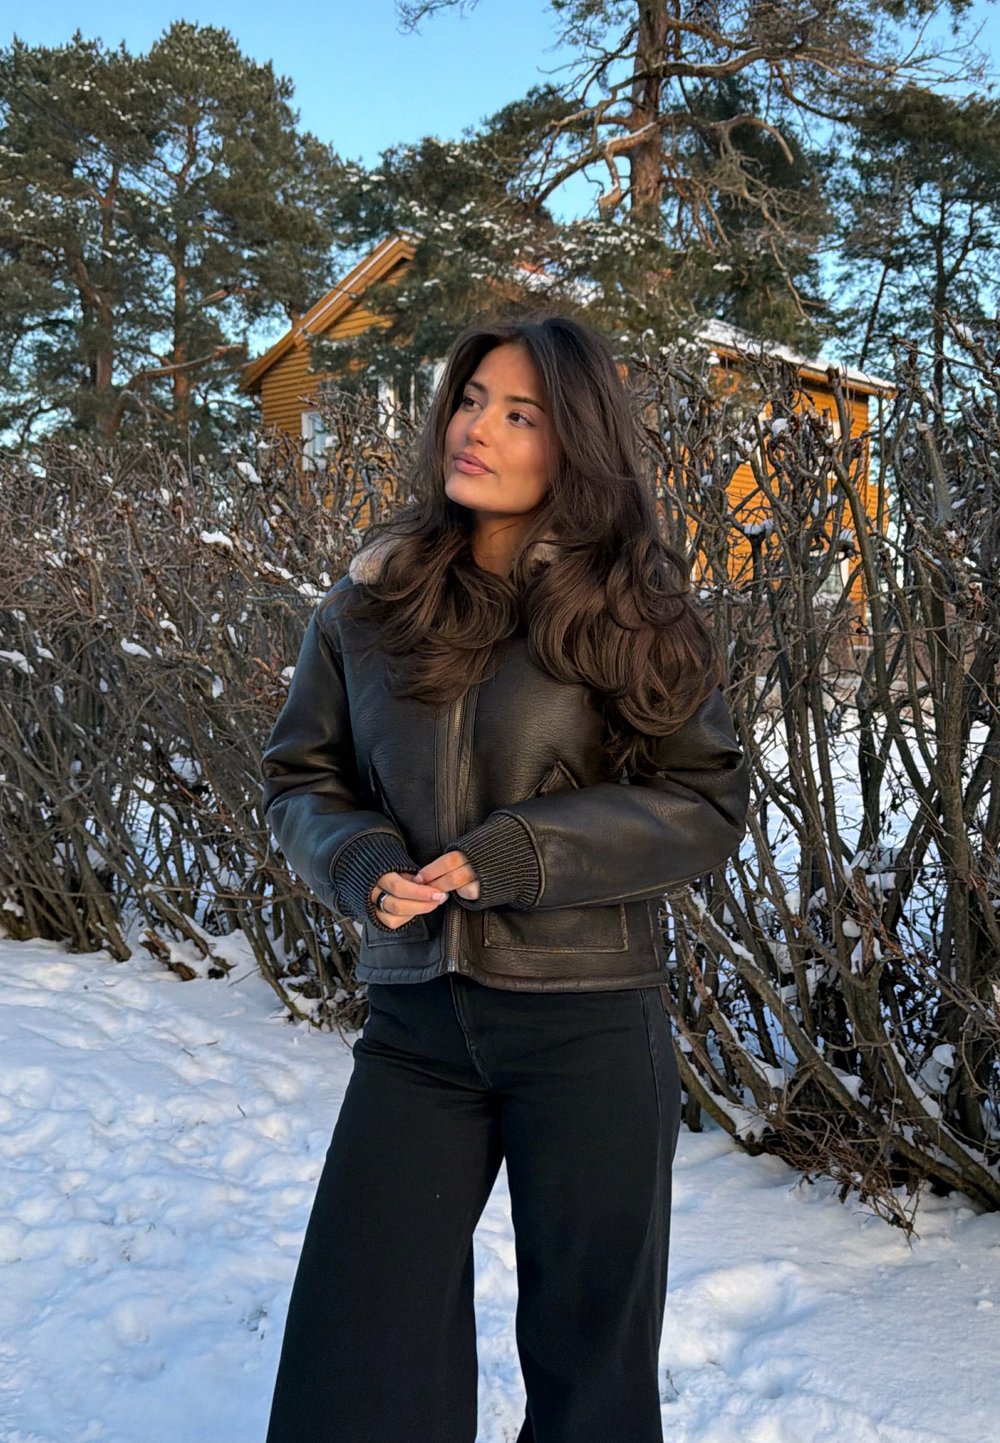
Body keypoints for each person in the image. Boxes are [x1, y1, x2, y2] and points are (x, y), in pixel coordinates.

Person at [260, 311, 749, 1443]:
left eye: (519, 412)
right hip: (416, 1024)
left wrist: (524, 853)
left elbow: (704, 802)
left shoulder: (633, 609)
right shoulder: (368, 606)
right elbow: (300, 777)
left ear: (574, 440)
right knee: (355, 1358)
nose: (476, 428)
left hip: (585, 1020)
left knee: (590, 1373)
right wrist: (361, 861)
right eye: (471, 399)